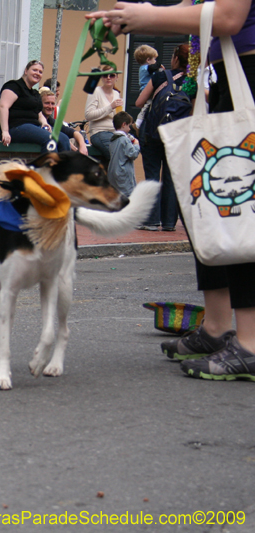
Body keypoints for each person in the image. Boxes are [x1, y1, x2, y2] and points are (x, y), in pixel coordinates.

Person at [89, 0, 255, 381]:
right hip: (228, 73)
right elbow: (202, 8)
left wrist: (147, 17)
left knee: (238, 204)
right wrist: (131, 15)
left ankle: (250, 341)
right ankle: (216, 327)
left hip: (247, 68)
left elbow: (228, 16)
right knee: (206, 204)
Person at [134, 44, 188, 232]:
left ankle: (151, 220)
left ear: (175, 59)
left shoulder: (159, 76)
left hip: (153, 132)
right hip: (177, 135)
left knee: (152, 175)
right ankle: (169, 222)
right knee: (172, 177)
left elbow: (139, 101)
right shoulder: (192, 82)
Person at [0, 61, 71, 153]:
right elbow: (3, 107)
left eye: (40, 72)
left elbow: (39, 113)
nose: (37, 73)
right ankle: (48, 167)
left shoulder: (34, 93)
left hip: (32, 127)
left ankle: (64, 167)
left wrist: (44, 123)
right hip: (15, 127)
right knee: (50, 140)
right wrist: (5, 131)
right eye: (34, 70)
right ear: (26, 71)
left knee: (64, 139)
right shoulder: (14, 86)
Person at [84, 64, 124, 162]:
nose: (108, 78)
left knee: (127, 150)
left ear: (117, 77)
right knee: (115, 154)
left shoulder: (116, 94)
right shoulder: (96, 91)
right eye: (105, 75)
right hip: (99, 132)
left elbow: (117, 118)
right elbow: (88, 115)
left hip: (114, 132)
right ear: (101, 77)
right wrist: (110, 107)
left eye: (112, 75)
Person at [40, 88, 88, 155]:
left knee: (75, 140)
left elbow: (74, 132)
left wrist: (83, 146)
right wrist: (70, 145)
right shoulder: (36, 121)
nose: (50, 106)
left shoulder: (52, 121)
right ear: (40, 103)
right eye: (47, 103)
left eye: (53, 103)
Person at [108, 111, 140, 197]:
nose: (129, 129)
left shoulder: (112, 140)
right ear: (124, 124)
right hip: (124, 174)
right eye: (129, 125)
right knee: (128, 197)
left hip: (113, 174)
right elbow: (133, 154)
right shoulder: (124, 140)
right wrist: (136, 144)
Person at [133, 44, 161, 128]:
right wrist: (159, 65)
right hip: (146, 91)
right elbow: (153, 67)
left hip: (150, 91)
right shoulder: (144, 68)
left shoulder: (146, 68)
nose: (155, 61)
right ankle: (137, 124)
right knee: (147, 106)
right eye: (154, 59)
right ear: (148, 60)